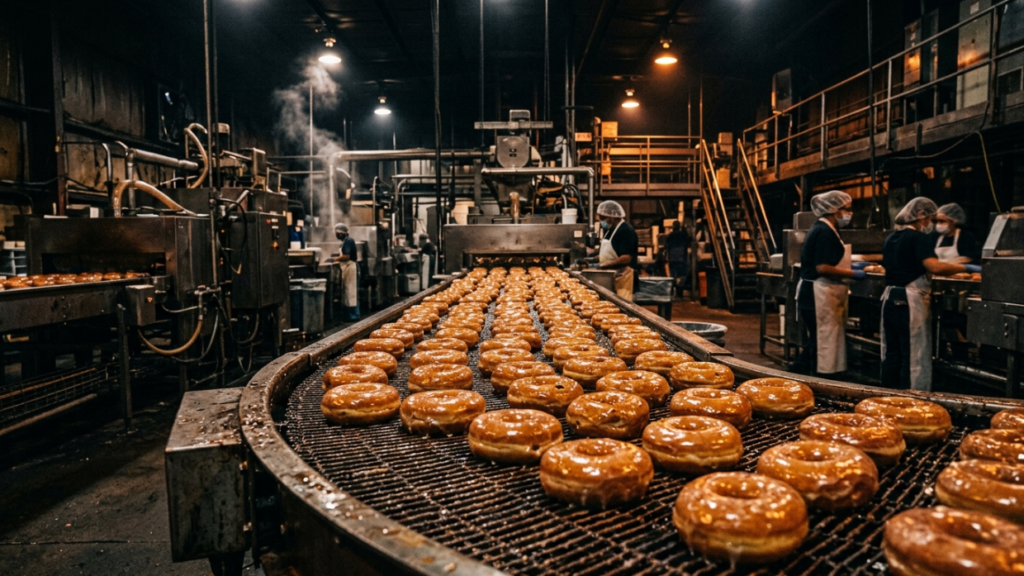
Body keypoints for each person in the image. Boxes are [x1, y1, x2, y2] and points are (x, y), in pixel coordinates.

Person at [880, 198, 980, 390]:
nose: (931, 225)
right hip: (909, 301)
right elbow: (933, 266)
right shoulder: (918, 238)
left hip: (890, 298)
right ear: (920, 216)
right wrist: (965, 267)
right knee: (912, 353)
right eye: (931, 220)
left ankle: (886, 395)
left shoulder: (892, 238)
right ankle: (911, 399)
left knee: (892, 352)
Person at [790, 190, 865, 376]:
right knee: (818, 342)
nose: (849, 213)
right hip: (817, 293)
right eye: (846, 209)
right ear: (834, 210)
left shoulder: (825, 228)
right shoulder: (824, 232)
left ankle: (804, 376)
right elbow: (822, 267)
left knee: (818, 342)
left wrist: (854, 264)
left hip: (817, 292)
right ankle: (800, 376)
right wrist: (853, 273)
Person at [587, 200, 638, 300]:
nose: (601, 222)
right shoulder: (610, 230)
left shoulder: (626, 231)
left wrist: (604, 266)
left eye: (603, 218)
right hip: (611, 275)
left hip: (624, 277)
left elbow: (626, 258)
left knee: (622, 308)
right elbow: (607, 254)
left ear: (612, 216)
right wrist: (591, 260)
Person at [333, 223, 360, 321]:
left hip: (351, 268)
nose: (337, 235)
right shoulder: (344, 241)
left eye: (338, 233)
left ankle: (353, 315)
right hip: (347, 268)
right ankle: (350, 315)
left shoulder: (348, 241)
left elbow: (346, 256)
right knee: (348, 292)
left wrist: (334, 259)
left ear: (342, 233)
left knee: (351, 292)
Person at [665, 220, 691, 298]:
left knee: (673, 275)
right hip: (682, 258)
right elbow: (688, 243)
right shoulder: (683, 235)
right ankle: (680, 291)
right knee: (682, 275)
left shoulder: (670, 235)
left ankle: (672, 290)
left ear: (673, 227)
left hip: (672, 259)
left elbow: (666, 246)